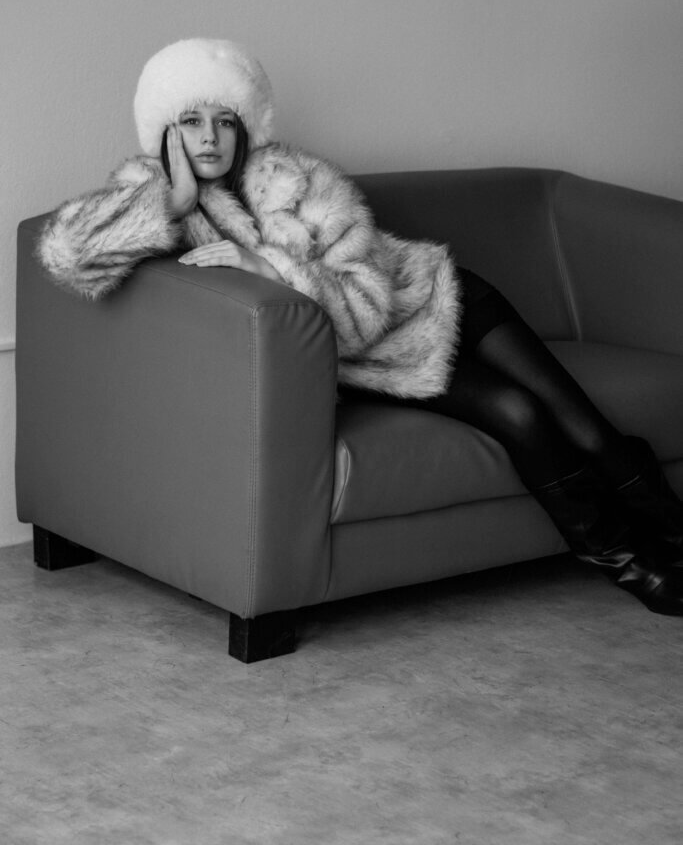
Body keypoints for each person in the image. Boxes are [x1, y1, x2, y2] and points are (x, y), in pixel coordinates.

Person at [38, 38, 683, 616]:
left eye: (224, 121)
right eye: (191, 120)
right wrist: (175, 202)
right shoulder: (151, 196)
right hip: (382, 357)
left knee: (584, 424)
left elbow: (367, 302)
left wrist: (269, 266)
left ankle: (675, 538)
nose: (209, 138)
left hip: (437, 294)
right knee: (520, 413)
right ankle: (629, 563)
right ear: (166, 130)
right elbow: (66, 255)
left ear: (245, 128)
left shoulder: (296, 178)